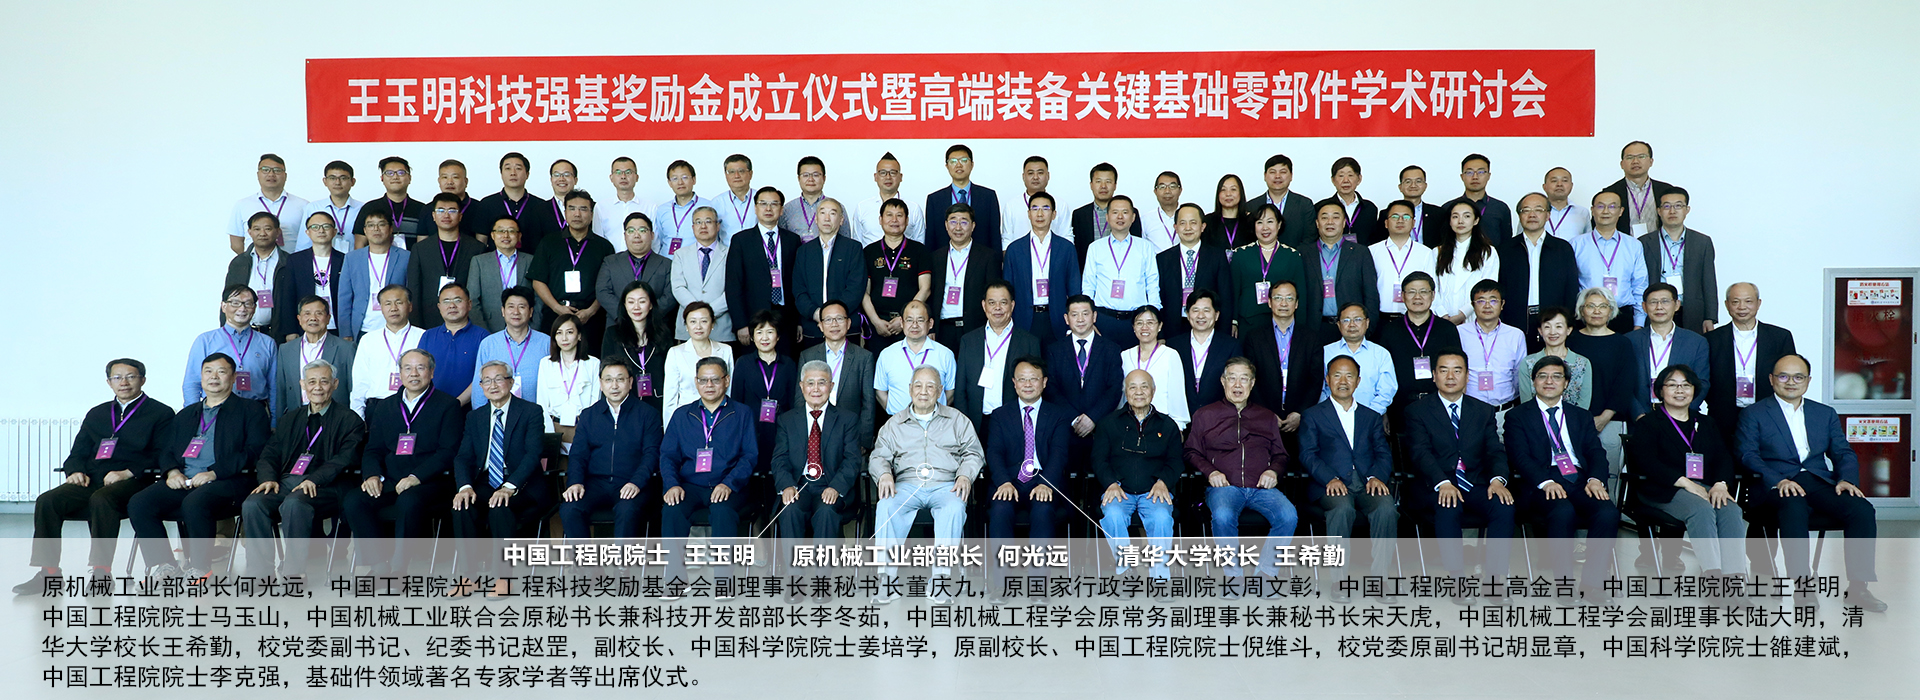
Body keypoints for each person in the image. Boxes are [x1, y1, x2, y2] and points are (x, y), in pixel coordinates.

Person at [1737, 355, 1885, 611]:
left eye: (1798, 377)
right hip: (1775, 484)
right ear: (1771, 380)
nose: (1791, 382)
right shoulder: (1754, 414)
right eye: (1783, 376)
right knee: (1793, 505)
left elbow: (1843, 452)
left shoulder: (1824, 413)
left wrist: (1846, 479)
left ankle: (1858, 588)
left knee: (1861, 509)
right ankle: (1802, 588)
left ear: (1808, 381)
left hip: (1816, 480)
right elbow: (1747, 455)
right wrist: (1778, 480)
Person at [17, 360, 175, 594]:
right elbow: (78, 452)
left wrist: (127, 473)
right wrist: (75, 471)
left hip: (134, 480)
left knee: (102, 498)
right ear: (109, 382)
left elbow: (162, 453)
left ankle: (102, 572)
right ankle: (48, 573)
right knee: (48, 500)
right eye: (117, 377)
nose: (123, 382)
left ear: (143, 380)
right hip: (92, 478)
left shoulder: (160, 413)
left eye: (130, 376)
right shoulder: (97, 413)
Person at [128, 353, 270, 581]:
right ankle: (165, 565)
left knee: (195, 501)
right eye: (208, 372)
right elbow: (167, 450)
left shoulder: (250, 410)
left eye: (221, 372)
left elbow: (255, 451)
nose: (214, 377)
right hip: (186, 480)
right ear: (201, 377)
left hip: (230, 481)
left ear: (233, 377)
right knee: (139, 503)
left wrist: (214, 473)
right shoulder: (186, 414)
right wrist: (172, 471)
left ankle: (200, 568)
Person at [1504, 355, 1618, 603]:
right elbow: (1519, 457)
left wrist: (1596, 479)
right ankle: (1564, 585)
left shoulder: (1581, 416)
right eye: (1542, 376)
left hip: (1580, 479)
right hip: (1541, 482)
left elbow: (1595, 452)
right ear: (1533, 381)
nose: (1549, 381)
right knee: (1562, 510)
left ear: (1566, 383)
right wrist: (1545, 482)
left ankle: (1592, 584)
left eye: (1556, 377)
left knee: (1607, 512)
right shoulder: (1517, 416)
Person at [239, 359, 365, 578]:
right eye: (312, 382)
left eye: (324, 381)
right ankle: (260, 574)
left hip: (328, 486)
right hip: (287, 482)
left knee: (295, 503)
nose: (318, 387)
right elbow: (269, 454)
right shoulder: (290, 419)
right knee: (253, 504)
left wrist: (315, 479)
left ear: (335, 384)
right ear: (302, 384)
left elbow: (344, 459)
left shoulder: (349, 420)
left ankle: (294, 573)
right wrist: (268, 479)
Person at [869, 366, 983, 601]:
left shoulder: (957, 420)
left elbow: (973, 453)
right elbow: (878, 456)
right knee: (886, 506)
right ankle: (887, 581)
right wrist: (884, 474)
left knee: (954, 508)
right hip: (907, 484)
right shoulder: (894, 423)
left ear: (940, 390)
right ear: (910, 389)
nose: (924, 391)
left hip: (945, 484)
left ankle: (940, 580)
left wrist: (964, 475)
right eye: (918, 385)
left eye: (930, 386)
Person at [345, 348, 461, 574]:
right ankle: (379, 567)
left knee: (408, 501)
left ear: (431, 372)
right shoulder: (386, 406)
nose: (413, 373)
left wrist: (416, 477)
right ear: (400, 373)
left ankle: (399, 569)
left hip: (430, 481)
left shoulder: (447, 405)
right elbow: (373, 449)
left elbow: (448, 452)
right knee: (355, 500)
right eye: (407, 368)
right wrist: (372, 475)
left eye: (420, 368)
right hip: (391, 479)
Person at [1405, 351, 1514, 591]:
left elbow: (1494, 451)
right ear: (1434, 375)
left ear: (1467, 376)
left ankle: (1495, 580)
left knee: (1502, 505)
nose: (1450, 376)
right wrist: (1442, 482)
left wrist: (1497, 480)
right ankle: (1457, 580)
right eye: (1444, 370)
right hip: (1436, 484)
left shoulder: (1483, 411)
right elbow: (1420, 453)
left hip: (1474, 483)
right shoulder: (1417, 411)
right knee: (1448, 505)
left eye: (1457, 370)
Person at [1186, 357, 1297, 588]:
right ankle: (1234, 577)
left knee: (1288, 516)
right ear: (1223, 381)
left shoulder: (1266, 417)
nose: (1237, 385)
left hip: (1261, 487)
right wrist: (1211, 472)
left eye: (1244, 379)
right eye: (1232, 378)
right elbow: (1191, 452)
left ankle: (1265, 575)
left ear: (1252, 383)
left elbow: (1281, 455)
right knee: (1223, 516)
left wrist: (1273, 471)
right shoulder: (1204, 415)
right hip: (1224, 487)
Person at [1629, 365, 1746, 580]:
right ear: (1660, 390)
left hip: (1704, 487)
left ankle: (1734, 576)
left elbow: (1723, 457)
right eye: (1672, 385)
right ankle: (1713, 575)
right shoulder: (1648, 423)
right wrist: (1685, 482)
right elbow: (1646, 462)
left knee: (1730, 509)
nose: (1680, 390)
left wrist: (1721, 484)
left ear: (1694, 390)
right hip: (1663, 489)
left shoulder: (1706, 422)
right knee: (1701, 508)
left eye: (1686, 385)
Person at [451, 361, 554, 597]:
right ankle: (470, 577)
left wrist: (509, 487)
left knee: (500, 507)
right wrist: (464, 487)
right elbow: (463, 457)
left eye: (499, 379)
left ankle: (503, 578)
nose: (493, 385)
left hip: (522, 484)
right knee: (462, 506)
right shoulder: (475, 417)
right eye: (487, 381)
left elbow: (533, 455)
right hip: (487, 481)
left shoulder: (530, 411)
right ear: (480, 387)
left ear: (511, 382)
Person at [1299, 355, 1398, 594]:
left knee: (1386, 508)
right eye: (1337, 375)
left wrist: (1376, 476)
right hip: (1329, 484)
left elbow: (1383, 453)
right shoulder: (1313, 415)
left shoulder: (1370, 416)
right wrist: (1329, 478)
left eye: (1349, 376)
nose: (1343, 381)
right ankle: (1339, 581)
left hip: (1366, 482)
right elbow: (1308, 454)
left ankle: (1380, 579)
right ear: (1327, 379)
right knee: (1342, 509)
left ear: (1358, 381)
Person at [659, 357, 758, 593]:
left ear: (727, 380)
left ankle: (723, 582)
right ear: (696, 382)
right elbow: (668, 456)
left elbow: (749, 456)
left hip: (729, 485)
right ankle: (675, 580)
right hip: (690, 485)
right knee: (672, 510)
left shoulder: (742, 413)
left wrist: (729, 483)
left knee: (723, 511)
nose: (709, 385)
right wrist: (672, 484)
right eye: (703, 380)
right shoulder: (682, 415)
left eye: (715, 379)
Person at [1094, 370, 1183, 584]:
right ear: (1125, 392)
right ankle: (1126, 572)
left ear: (1153, 391)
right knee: (1113, 515)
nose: (1139, 392)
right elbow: (1098, 460)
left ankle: (1160, 579)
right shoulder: (1108, 423)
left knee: (1161, 518)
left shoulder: (1167, 425)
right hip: (1119, 490)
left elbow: (1176, 461)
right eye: (1132, 387)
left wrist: (1163, 482)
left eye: (1144, 386)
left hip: (1153, 491)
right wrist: (1111, 483)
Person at [559, 360, 661, 539]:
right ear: (600, 383)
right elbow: (578, 455)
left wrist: (636, 482)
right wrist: (575, 482)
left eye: (620, 379)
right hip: (595, 484)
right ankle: (585, 558)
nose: (614, 386)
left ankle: (623, 558)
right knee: (569, 508)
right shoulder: (589, 415)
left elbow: (651, 454)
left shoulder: (647, 414)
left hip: (631, 482)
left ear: (630, 382)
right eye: (608, 380)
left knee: (627, 509)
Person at [985, 357, 1074, 543]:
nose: (1027, 384)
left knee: (1043, 509)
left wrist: (1046, 484)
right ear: (1014, 383)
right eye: (1022, 379)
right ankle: (1001, 563)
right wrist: (1003, 482)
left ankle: (1039, 563)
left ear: (1044, 382)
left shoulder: (1059, 415)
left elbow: (1059, 454)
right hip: (1009, 479)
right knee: (1000, 509)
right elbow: (994, 452)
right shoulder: (1000, 415)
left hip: (1043, 478)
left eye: (1033, 379)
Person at [771, 360, 862, 541]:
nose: (816, 389)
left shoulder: (847, 419)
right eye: (810, 383)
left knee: (826, 511)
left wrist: (836, 487)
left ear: (831, 386)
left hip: (830, 483)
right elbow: (779, 459)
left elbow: (852, 460)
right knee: (790, 509)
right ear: (801, 386)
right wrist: (787, 485)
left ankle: (823, 561)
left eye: (822, 383)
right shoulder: (787, 420)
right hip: (799, 484)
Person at [1706, 283, 1797, 446]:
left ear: (1758, 303)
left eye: (1748, 301)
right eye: (1735, 302)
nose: (1742, 307)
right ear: (1727, 305)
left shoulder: (1779, 337)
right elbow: (1704, 379)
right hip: (1723, 417)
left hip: (1768, 415)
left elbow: (1789, 376)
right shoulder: (1711, 339)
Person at [1044, 295, 1124, 478]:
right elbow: (1051, 389)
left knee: (1098, 480)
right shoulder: (1054, 350)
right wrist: (1074, 419)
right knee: (1066, 481)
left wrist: (1092, 418)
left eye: (1085, 314)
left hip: (1100, 429)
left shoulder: (1111, 349)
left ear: (1094, 316)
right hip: (1066, 428)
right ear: (1066, 319)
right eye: (1074, 314)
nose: (1080, 319)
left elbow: (1114, 389)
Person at [1567, 287, 1640, 486]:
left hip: (1610, 420)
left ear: (1611, 311)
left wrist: (1604, 418)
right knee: (1571, 476)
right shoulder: (1570, 340)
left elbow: (1625, 384)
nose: (1597, 311)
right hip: (1572, 420)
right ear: (1581, 310)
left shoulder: (1622, 343)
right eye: (1591, 306)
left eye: (1603, 306)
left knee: (1608, 477)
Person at [952, 282, 1044, 436]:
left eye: (1003, 302)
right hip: (976, 423)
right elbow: (960, 388)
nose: (997, 308)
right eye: (992, 303)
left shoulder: (1029, 342)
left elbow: (1036, 388)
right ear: (984, 305)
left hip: (1015, 423)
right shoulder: (968, 340)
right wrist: (964, 424)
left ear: (1012, 305)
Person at [531, 190, 616, 353]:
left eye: (583, 209)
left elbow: (608, 286)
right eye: (572, 208)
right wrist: (557, 308)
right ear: (565, 213)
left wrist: (590, 311)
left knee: (590, 361)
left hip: (591, 319)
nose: (577, 214)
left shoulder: (603, 246)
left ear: (591, 214)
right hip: (555, 315)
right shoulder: (549, 242)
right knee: (554, 361)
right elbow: (538, 281)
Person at [1377, 272, 1463, 429]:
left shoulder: (1447, 329)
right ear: (1403, 296)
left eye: (1424, 292)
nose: (1417, 297)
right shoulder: (1389, 330)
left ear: (1433, 295)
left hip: (1440, 407)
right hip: (1400, 409)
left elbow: (1459, 369)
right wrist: (1384, 412)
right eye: (1411, 292)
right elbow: (1382, 374)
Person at [1496, 193, 1581, 351]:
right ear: (1519, 215)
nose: (1532, 215)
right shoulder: (1506, 249)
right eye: (1526, 210)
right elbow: (1500, 286)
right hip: (1514, 321)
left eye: (1538, 210)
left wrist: (1566, 319)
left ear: (1548, 215)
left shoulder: (1562, 248)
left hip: (1552, 322)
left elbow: (1571, 288)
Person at [1242, 282, 1323, 445]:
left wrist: (1300, 413)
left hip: (1301, 419)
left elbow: (1316, 380)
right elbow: (1250, 379)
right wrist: (1266, 413)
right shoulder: (1254, 337)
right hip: (1263, 418)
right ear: (1269, 302)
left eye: (1289, 298)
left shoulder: (1311, 338)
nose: (1284, 303)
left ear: (1297, 304)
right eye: (1278, 298)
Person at [725, 186, 802, 352]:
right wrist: (741, 324)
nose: (768, 208)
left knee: (785, 361)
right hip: (753, 317)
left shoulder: (793, 240)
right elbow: (733, 285)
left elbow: (799, 283)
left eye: (774, 204)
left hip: (786, 316)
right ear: (755, 208)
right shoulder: (741, 241)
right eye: (763, 204)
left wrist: (799, 321)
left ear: (781, 210)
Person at [731, 311, 798, 493]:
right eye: (759, 332)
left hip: (781, 431)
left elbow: (794, 402)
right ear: (752, 337)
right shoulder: (743, 363)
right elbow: (736, 400)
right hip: (751, 430)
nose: (765, 337)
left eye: (770, 332)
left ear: (778, 336)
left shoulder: (789, 364)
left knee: (778, 474)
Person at [1003, 191, 1080, 341]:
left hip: (1057, 318)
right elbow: (1007, 288)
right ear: (1028, 214)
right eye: (1035, 208)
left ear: (1054, 214)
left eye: (1045, 208)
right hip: (1024, 319)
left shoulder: (1066, 248)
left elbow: (1074, 287)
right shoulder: (1014, 249)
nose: (1040, 214)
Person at [185, 285, 278, 409]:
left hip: (256, 410)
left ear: (254, 308)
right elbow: (192, 383)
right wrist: (192, 415)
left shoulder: (268, 343)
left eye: (248, 303)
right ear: (223, 306)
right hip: (217, 409)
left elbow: (274, 386)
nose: (242, 308)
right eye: (235, 303)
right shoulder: (205, 341)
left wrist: (275, 419)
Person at [1640, 187, 1719, 333]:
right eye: (1667, 206)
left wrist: (1710, 317)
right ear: (1659, 211)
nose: (1672, 211)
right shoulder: (1644, 242)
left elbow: (1709, 281)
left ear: (1687, 210)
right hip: (1656, 309)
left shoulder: (1702, 242)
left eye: (1678, 206)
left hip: (1691, 310)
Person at [1625, 283, 1709, 417]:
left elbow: (1702, 383)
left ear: (1677, 305)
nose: (1659, 307)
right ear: (1644, 307)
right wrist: (1638, 414)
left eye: (1665, 301)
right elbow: (1623, 383)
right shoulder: (1629, 341)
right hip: (1639, 417)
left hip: (1681, 417)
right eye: (1653, 302)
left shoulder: (1696, 342)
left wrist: (1681, 413)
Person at [403, 192, 484, 329]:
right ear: (433, 216)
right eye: (441, 210)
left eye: (452, 210)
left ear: (460, 216)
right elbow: (414, 288)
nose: (446, 215)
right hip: (430, 318)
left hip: (467, 319)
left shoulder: (476, 248)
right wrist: (416, 323)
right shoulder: (420, 248)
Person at [1085, 195, 1160, 340]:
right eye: (1115, 212)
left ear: (1133, 217)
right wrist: (1088, 318)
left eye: (1125, 212)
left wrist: (1153, 317)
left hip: (1136, 320)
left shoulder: (1145, 247)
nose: (1120, 217)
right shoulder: (1095, 247)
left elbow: (1152, 283)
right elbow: (1088, 285)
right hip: (1103, 318)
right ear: (1107, 217)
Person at [794, 199, 867, 347]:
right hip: (813, 326)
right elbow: (798, 290)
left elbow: (856, 288)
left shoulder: (853, 248)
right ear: (816, 219)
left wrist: (834, 316)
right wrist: (816, 314)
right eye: (822, 213)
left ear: (841, 220)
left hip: (845, 326)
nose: (827, 218)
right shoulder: (804, 251)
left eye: (832, 213)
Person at [1302, 199, 1381, 337]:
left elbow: (1371, 295)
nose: (1330, 222)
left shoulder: (1360, 252)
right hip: (1313, 329)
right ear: (1317, 223)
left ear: (1344, 223)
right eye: (1324, 217)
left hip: (1351, 329)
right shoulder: (1304, 253)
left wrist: (1367, 331)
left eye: (1336, 217)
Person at [1571, 191, 1648, 332]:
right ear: (1592, 210)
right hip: (1587, 317)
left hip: (1623, 316)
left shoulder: (1633, 245)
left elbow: (1640, 285)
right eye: (1600, 206)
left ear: (1621, 211)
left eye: (1612, 206)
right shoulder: (1576, 244)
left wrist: (1639, 322)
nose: (1606, 211)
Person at [595, 212, 678, 339]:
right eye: (631, 231)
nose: (636, 235)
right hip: (618, 326)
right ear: (625, 236)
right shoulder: (610, 262)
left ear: (652, 235)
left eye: (642, 230)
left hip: (656, 328)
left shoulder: (666, 264)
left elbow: (670, 296)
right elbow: (602, 291)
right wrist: (624, 315)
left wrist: (648, 316)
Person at [862, 198, 932, 348]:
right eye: (889, 215)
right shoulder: (868, 252)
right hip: (877, 324)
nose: (894, 220)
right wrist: (876, 321)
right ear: (880, 220)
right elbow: (864, 292)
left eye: (899, 215)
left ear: (907, 221)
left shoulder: (920, 250)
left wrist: (904, 319)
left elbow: (925, 289)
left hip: (909, 325)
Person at [1227, 204, 1307, 333]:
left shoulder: (1292, 255)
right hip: (1248, 321)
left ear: (1279, 225)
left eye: (1270, 221)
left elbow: (1301, 294)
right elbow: (1233, 292)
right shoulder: (1241, 254)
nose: (1265, 227)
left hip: (1283, 323)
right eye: (1259, 222)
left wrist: (1300, 326)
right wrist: (1233, 321)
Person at [1158, 203, 1234, 337]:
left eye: (1193, 223)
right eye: (1182, 223)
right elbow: (1159, 298)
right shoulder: (1163, 259)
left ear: (1202, 226)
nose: (1188, 228)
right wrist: (1161, 334)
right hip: (1172, 328)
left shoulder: (1217, 256)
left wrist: (1223, 334)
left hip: (1207, 326)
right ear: (1175, 227)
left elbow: (1225, 297)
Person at [929, 203, 999, 346]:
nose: (958, 227)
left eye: (964, 222)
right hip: (943, 329)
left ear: (973, 226)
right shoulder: (935, 257)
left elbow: (993, 294)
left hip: (975, 329)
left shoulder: (987, 256)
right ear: (946, 225)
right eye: (953, 221)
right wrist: (931, 328)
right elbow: (930, 294)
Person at [348, 285, 423, 415]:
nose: (393, 308)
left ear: (410, 306)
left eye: (399, 302)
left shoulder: (423, 336)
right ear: (381, 308)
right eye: (388, 304)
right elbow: (360, 382)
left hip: (415, 405)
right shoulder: (368, 340)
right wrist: (358, 415)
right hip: (377, 406)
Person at [275, 296, 355, 417]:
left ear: (328, 318)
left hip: (335, 416)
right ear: (299, 319)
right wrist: (279, 421)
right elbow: (281, 390)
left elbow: (354, 388)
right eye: (307, 313)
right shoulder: (286, 349)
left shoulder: (346, 348)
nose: (313, 318)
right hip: (296, 415)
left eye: (319, 313)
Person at [470, 287, 552, 404]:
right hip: (499, 412)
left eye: (522, 307)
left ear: (531, 312)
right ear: (503, 311)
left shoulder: (546, 343)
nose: (516, 312)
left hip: (538, 411)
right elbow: (479, 386)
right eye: (511, 307)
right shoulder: (488, 344)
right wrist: (480, 413)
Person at [873, 301, 957, 415]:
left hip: (936, 421)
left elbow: (950, 392)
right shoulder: (887, 354)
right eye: (909, 320)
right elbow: (880, 392)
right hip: (898, 421)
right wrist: (897, 416)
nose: (914, 325)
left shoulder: (945, 354)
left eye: (920, 320)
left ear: (930, 323)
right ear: (901, 323)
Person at [339, 210, 411, 341]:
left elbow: (411, 294)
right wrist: (346, 332)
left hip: (397, 328)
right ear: (365, 231)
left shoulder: (406, 257)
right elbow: (344, 297)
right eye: (371, 225)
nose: (376, 229)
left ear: (390, 229)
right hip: (362, 328)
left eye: (381, 224)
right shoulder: (352, 258)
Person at [1166, 290, 1241, 412]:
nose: (1200, 316)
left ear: (1216, 315)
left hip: (1219, 416)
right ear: (1187, 314)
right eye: (1195, 310)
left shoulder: (1231, 346)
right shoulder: (1173, 345)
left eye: (1206, 310)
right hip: (1180, 414)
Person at [603, 281, 672, 414]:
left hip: (658, 401)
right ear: (624, 305)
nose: (636, 307)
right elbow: (606, 370)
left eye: (642, 301)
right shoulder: (612, 334)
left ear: (651, 305)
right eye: (631, 302)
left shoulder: (663, 333)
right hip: (626, 402)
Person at [272, 212, 345, 336]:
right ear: (307, 232)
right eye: (315, 227)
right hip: (305, 326)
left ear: (334, 231)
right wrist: (290, 331)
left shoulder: (345, 260)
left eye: (326, 226)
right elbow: (288, 297)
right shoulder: (295, 260)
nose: (321, 230)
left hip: (338, 326)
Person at [537, 315, 602, 452]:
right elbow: (542, 402)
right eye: (559, 333)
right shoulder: (546, 363)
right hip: (554, 427)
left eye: (569, 332)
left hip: (583, 428)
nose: (564, 338)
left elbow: (595, 402)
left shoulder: (593, 363)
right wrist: (551, 436)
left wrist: (587, 432)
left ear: (579, 336)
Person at [1461, 281, 1526, 414]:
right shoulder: (1460, 333)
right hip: (1470, 411)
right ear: (1473, 305)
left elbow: (1518, 374)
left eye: (1493, 301)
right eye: (1481, 301)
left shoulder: (1515, 335)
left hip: (1505, 410)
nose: (1487, 306)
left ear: (1502, 304)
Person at [1120, 306, 1191, 429]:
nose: (1145, 327)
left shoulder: (1170, 355)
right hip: (1129, 423)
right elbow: (1121, 396)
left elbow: (1177, 394)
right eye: (1139, 323)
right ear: (1133, 327)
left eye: (1150, 323)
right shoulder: (1125, 355)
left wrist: (1178, 426)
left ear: (1160, 326)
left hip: (1161, 424)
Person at [1369, 201, 1438, 325]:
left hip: (1414, 319)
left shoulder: (1425, 252)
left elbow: (1431, 287)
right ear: (1386, 223)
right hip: (1379, 319)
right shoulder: (1372, 251)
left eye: (1406, 217)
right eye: (1395, 216)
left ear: (1413, 223)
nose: (1400, 220)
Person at [1433, 199, 1501, 324]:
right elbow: (1431, 286)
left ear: (1476, 220)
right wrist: (1443, 314)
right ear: (1449, 221)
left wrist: (1463, 314)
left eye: (1467, 216)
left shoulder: (1487, 252)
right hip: (1441, 318)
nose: (1460, 221)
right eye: (1455, 216)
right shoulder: (1437, 252)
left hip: (1474, 316)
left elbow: (1487, 288)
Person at [668, 206, 732, 341]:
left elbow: (733, 290)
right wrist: (696, 313)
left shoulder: (731, 254)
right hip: (688, 327)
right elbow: (678, 287)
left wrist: (708, 313)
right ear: (693, 227)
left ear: (718, 226)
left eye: (708, 221)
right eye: (698, 222)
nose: (703, 226)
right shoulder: (680, 254)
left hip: (720, 327)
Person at [1320, 304, 1396, 415]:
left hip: (1370, 417)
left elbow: (1387, 391)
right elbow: (1320, 389)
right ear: (1339, 324)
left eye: (1358, 319)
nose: (1352, 324)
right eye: (1346, 320)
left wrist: (1369, 415)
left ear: (1367, 323)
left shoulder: (1381, 353)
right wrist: (1330, 412)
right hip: (1331, 417)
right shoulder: (1325, 352)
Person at [417, 284, 486, 406]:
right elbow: (420, 371)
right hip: (432, 406)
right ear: (439, 307)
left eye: (458, 300)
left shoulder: (483, 337)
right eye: (446, 301)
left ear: (469, 304)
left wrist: (457, 403)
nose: (452, 306)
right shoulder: (428, 336)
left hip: (469, 407)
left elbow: (484, 376)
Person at [924, 144, 1001, 251]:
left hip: (981, 257)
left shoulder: (988, 196)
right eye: (953, 161)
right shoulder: (934, 200)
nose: (958, 165)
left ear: (972, 164)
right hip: (945, 258)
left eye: (964, 160)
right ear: (947, 166)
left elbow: (995, 235)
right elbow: (930, 238)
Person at [1515, 307, 1593, 409]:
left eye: (1558, 326)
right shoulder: (1528, 362)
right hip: (1535, 418)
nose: (1552, 332)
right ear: (1540, 331)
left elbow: (1584, 404)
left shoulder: (1583, 363)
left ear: (1568, 330)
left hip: (1574, 418)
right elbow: (1526, 403)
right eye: (1547, 327)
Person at [470, 153, 550, 253]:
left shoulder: (540, 206)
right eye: (508, 168)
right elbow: (481, 242)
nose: (513, 173)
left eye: (518, 168)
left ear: (527, 174)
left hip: (533, 260)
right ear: (501, 173)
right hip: (496, 261)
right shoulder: (487, 204)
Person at [230, 154, 307, 254]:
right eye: (265, 170)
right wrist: (250, 260)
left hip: (292, 262)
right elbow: (236, 243)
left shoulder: (303, 205)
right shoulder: (243, 205)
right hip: (255, 262)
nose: (271, 174)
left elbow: (309, 239)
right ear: (258, 174)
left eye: (277, 170)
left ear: (285, 176)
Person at [1071, 162, 1144, 265]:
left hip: (1124, 267)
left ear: (1115, 185)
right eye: (1098, 181)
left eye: (1108, 182)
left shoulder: (1130, 212)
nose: (1103, 186)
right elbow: (1078, 250)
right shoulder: (1079, 215)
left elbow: (1137, 245)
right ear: (1091, 185)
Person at [1600, 141, 1677, 238]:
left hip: (1659, 245)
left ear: (1651, 161)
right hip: (1623, 246)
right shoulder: (1610, 193)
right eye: (1629, 157)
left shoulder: (1666, 191)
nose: (1635, 161)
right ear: (1622, 164)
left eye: (1641, 156)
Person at [226, 212, 286, 332]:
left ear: (278, 232)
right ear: (250, 232)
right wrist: (226, 330)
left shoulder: (288, 262)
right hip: (244, 331)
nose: (262, 233)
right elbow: (228, 298)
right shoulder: (239, 263)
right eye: (257, 229)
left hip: (278, 332)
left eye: (268, 229)